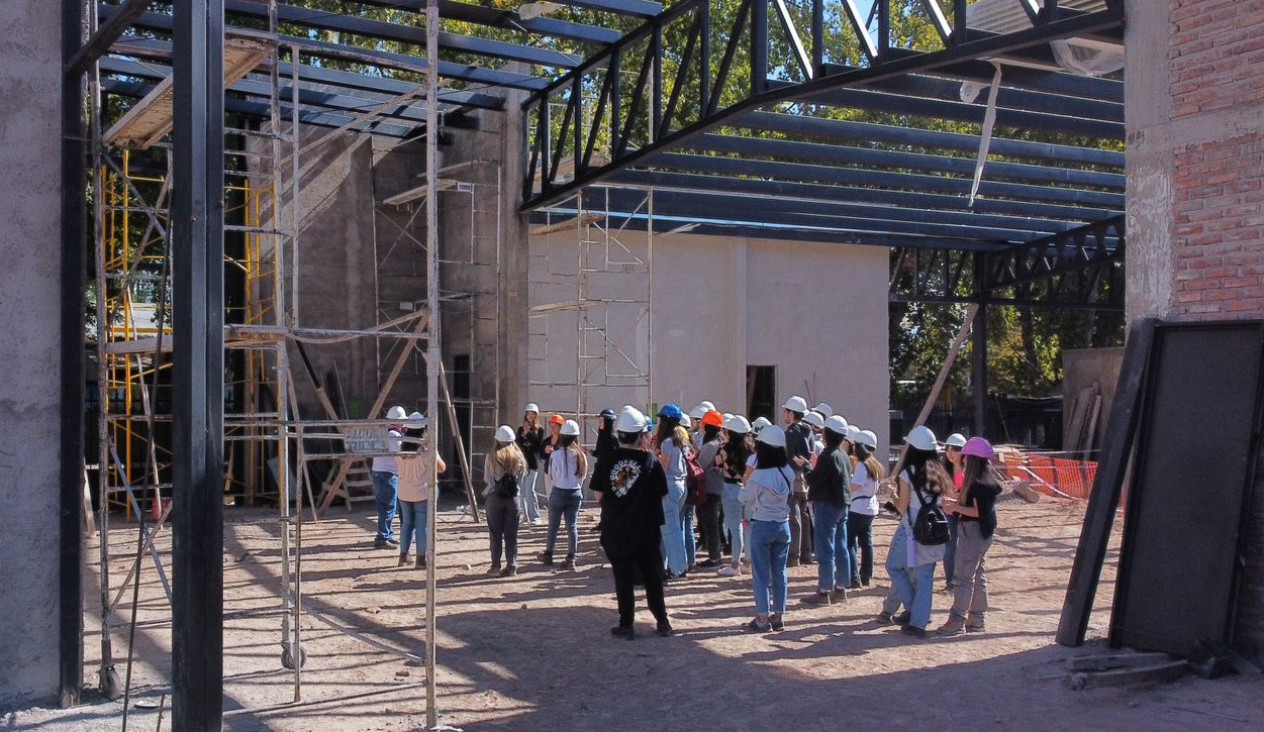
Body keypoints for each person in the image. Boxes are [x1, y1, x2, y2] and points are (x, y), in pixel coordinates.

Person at [592, 406, 673, 640]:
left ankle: (626, 624)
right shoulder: (649, 460)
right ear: (640, 435)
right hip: (646, 529)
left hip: (617, 527)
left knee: (623, 577)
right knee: (652, 577)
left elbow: (598, 495)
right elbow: (663, 493)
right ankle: (662, 621)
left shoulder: (607, 459)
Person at [886, 425, 950, 639]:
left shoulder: (907, 473)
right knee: (925, 576)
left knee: (894, 566)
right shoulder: (939, 471)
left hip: (911, 529)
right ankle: (919, 619)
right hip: (933, 530)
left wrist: (892, 495)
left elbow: (902, 507)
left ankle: (915, 610)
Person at [937, 437, 1003, 635]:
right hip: (982, 533)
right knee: (977, 575)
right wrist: (954, 501)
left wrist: (954, 506)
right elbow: (976, 505)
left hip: (972, 533)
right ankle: (976, 620)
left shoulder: (977, 483)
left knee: (963, 577)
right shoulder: (983, 481)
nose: (962, 458)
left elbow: (977, 511)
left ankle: (956, 621)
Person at [741, 425, 793, 632]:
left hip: (762, 525)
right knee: (780, 572)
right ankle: (778, 616)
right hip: (783, 525)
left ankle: (762, 618)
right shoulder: (788, 471)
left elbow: (744, 497)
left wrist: (742, 489)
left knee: (761, 574)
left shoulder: (761, 475)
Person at [803, 415, 852, 605]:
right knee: (841, 546)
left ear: (827, 433)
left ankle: (823, 591)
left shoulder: (827, 455)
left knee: (825, 548)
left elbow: (814, 480)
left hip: (826, 504)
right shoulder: (844, 455)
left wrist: (806, 466)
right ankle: (840, 589)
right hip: (843, 505)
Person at [396, 413, 446, 569]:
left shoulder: (400, 449)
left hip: (404, 492)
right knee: (421, 525)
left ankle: (403, 555)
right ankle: (420, 558)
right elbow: (441, 467)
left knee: (406, 524)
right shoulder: (426, 449)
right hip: (422, 492)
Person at [540, 419, 587, 570]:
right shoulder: (581, 455)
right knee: (572, 526)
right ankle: (571, 557)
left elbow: (552, 475)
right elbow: (583, 476)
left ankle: (548, 555)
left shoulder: (556, 454)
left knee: (553, 525)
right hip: (575, 492)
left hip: (559, 491)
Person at [484, 425, 528, 576]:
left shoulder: (491, 456)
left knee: (495, 534)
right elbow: (522, 478)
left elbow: (487, 479)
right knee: (511, 534)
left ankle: (495, 567)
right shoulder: (519, 457)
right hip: (513, 499)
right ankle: (512, 566)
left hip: (495, 497)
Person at [654, 403, 691, 579]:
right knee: (675, 528)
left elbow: (663, 468)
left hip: (669, 487)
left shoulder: (668, 442)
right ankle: (677, 566)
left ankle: (677, 569)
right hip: (681, 486)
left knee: (671, 531)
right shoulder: (681, 441)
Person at [847, 429, 885, 588]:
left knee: (848, 542)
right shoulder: (875, 464)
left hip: (858, 508)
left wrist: (845, 486)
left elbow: (856, 486)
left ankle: (853, 577)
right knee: (866, 542)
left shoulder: (863, 465)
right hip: (870, 507)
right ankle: (866, 575)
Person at [781, 396, 815, 566]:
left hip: (792, 477)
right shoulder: (808, 432)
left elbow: (787, 456)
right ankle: (806, 554)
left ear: (791, 413)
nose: (784, 414)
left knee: (794, 518)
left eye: (786, 411)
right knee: (804, 516)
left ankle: (793, 556)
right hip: (805, 477)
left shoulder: (790, 433)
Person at [716, 414, 752, 577]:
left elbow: (716, 464)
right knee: (747, 526)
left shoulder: (725, 450)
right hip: (747, 489)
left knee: (735, 527)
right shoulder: (751, 450)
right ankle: (747, 562)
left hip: (730, 489)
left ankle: (735, 564)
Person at [370, 405, 407, 549]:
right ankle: (382, 537)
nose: (403, 424)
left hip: (378, 471)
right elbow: (401, 453)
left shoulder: (381, 431)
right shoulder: (394, 435)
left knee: (386, 506)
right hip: (388, 474)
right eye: (402, 421)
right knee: (388, 507)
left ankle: (387, 534)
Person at [694, 410, 725, 569]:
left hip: (710, 490)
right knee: (716, 524)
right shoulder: (721, 442)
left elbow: (700, 466)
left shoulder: (710, 445)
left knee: (711, 524)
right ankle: (716, 555)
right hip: (719, 488)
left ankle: (714, 558)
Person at [941, 432, 967, 592]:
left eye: (955, 449)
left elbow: (959, 492)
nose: (951, 452)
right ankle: (950, 581)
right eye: (948, 448)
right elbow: (947, 492)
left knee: (964, 548)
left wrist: (958, 467)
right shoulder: (943, 469)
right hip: (950, 513)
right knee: (949, 548)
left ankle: (963, 581)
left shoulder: (969, 469)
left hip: (966, 514)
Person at [515, 403, 545, 525]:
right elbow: (517, 445)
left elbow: (538, 445)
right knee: (521, 491)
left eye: (533, 414)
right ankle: (524, 516)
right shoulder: (520, 429)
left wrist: (529, 433)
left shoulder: (540, 430)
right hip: (521, 463)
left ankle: (535, 516)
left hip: (532, 463)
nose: (531, 416)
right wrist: (523, 434)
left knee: (530, 490)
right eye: (529, 414)